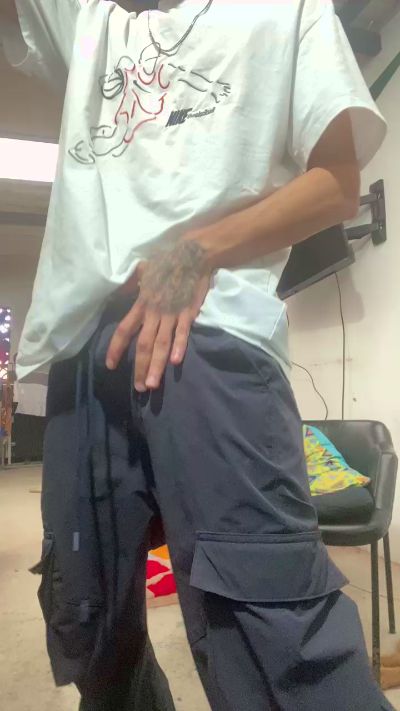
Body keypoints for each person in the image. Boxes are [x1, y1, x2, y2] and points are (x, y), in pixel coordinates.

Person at [0, 1, 393, 709]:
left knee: (276, 639)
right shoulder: (91, 18)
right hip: (82, 356)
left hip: (206, 333)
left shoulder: (285, 10)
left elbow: (337, 181)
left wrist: (199, 250)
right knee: (87, 617)